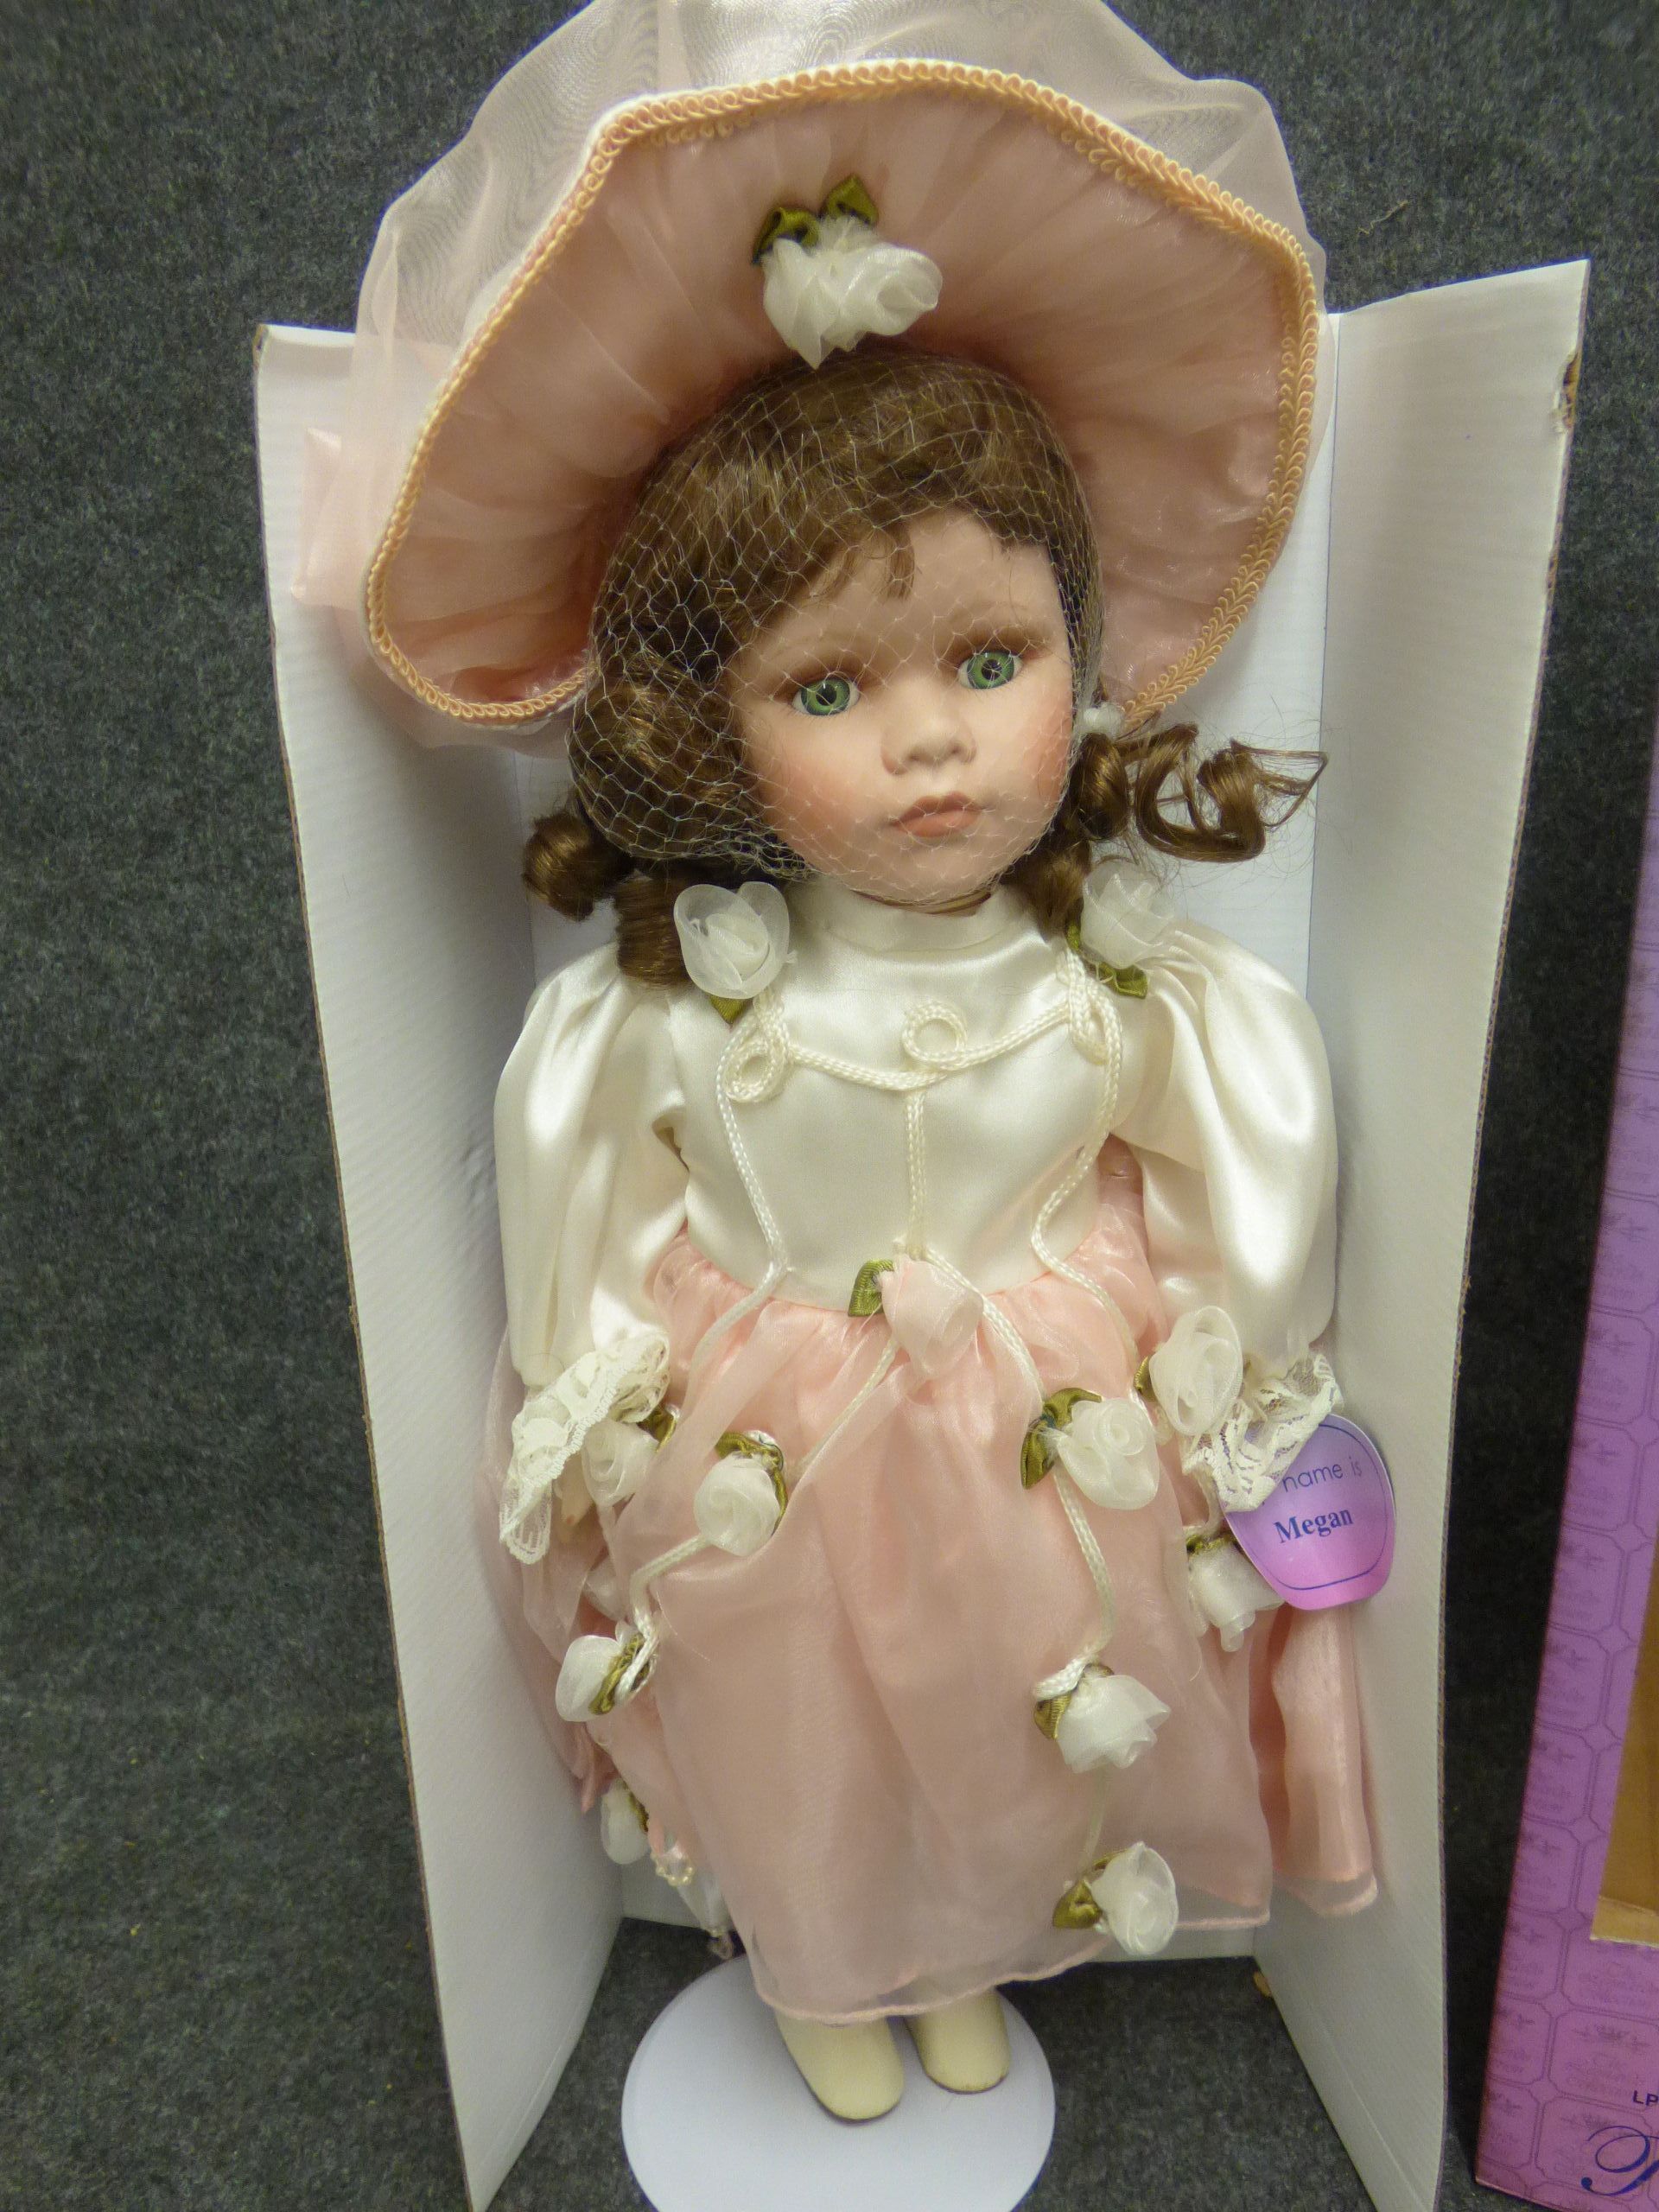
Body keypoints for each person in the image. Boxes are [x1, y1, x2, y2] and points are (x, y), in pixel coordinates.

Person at [302, 1, 1377, 2120]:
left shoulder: (1123, 989)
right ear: (707, 726)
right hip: (767, 1429)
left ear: (1081, 651)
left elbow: (1245, 1174)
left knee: (1012, 1689)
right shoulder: (675, 1008)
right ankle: (821, 1959)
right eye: (829, 687)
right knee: (791, 1705)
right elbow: (584, 1210)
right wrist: (585, 1386)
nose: (933, 741)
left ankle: (966, 1932)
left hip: (1054, 1427)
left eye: (994, 656)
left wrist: (1249, 1376)